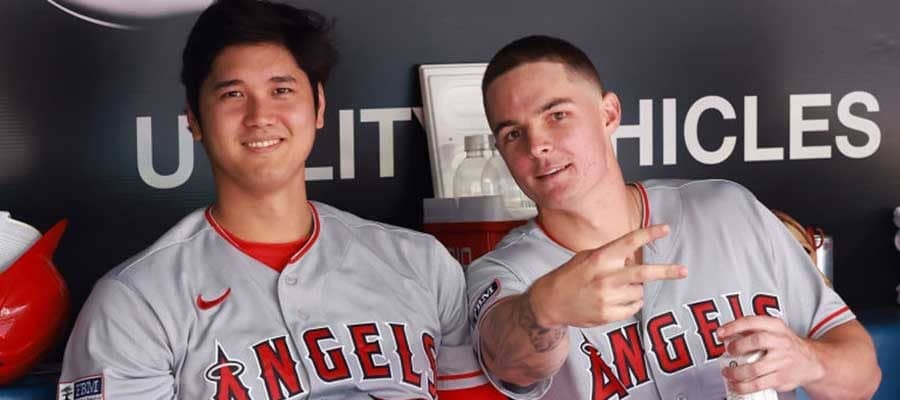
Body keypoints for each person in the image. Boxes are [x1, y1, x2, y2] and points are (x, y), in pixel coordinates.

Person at [58, 1, 503, 399]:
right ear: (193, 119)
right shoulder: (136, 303)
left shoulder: (423, 265)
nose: (260, 116)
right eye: (233, 94)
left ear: (319, 106)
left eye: (281, 90)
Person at [466, 35, 881, 400]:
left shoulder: (729, 211)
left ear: (608, 114)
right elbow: (509, 358)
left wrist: (809, 361)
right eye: (513, 134)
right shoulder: (505, 272)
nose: (537, 145)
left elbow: (864, 377)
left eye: (557, 115)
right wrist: (544, 308)